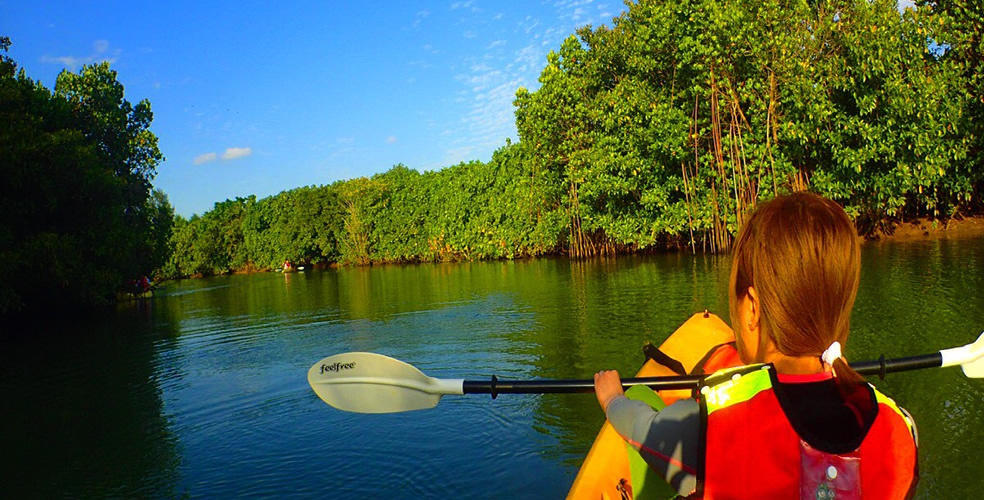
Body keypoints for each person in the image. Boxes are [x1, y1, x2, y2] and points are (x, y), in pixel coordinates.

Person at [594, 192, 918, 498]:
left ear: (753, 308)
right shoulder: (900, 428)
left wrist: (613, 400)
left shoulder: (707, 426)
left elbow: (642, 427)